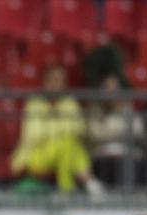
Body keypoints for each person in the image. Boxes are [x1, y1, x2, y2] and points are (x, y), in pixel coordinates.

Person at [10, 64, 104, 197]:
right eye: (54, 80)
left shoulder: (69, 103)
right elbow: (35, 135)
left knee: (68, 145)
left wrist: (52, 126)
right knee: (68, 145)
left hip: (63, 152)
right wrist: (60, 128)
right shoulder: (34, 104)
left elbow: (78, 130)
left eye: (61, 81)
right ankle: (88, 182)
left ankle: (67, 189)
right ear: (46, 82)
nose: (58, 85)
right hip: (36, 154)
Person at [86, 74, 147, 187]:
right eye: (108, 89)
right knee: (107, 163)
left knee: (134, 162)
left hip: (126, 153)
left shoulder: (127, 109)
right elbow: (94, 134)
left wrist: (107, 130)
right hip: (102, 154)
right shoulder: (95, 111)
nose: (111, 93)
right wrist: (121, 132)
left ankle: (134, 198)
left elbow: (137, 130)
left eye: (114, 89)